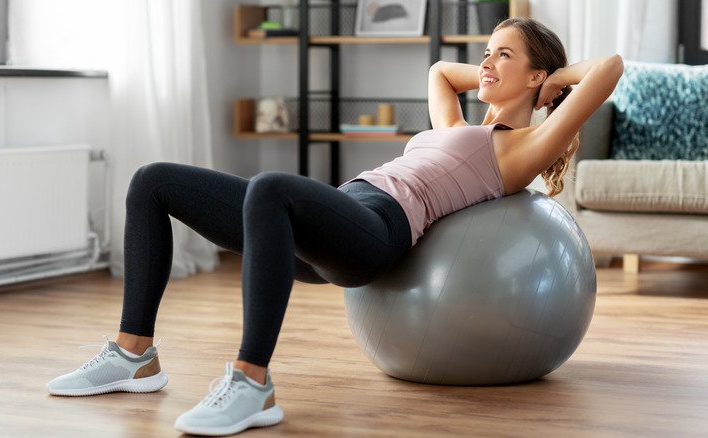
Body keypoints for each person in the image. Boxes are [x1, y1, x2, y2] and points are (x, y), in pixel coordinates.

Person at [46, 17, 623, 436]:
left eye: (502, 56)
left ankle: (251, 384)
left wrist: (550, 84)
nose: (485, 64)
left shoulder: (523, 148)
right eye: (487, 53)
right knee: (153, 181)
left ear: (538, 75)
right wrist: (503, 73)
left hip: (379, 232)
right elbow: (441, 72)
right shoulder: (455, 121)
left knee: (271, 185)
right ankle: (134, 356)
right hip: (340, 212)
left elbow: (609, 69)